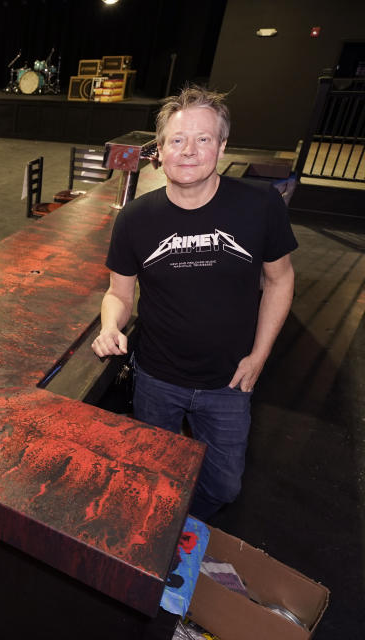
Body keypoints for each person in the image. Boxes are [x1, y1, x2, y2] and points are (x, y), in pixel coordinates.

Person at [91, 86, 297, 520]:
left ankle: (189, 528)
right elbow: (118, 293)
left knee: (223, 484)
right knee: (152, 472)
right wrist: (110, 326)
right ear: (159, 151)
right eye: (177, 140)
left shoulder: (260, 206)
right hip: (156, 377)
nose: (189, 151)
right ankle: (164, 533)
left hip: (229, 380)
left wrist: (260, 355)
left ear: (221, 147)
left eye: (203, 139)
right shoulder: (135, 219)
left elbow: (280, 280)